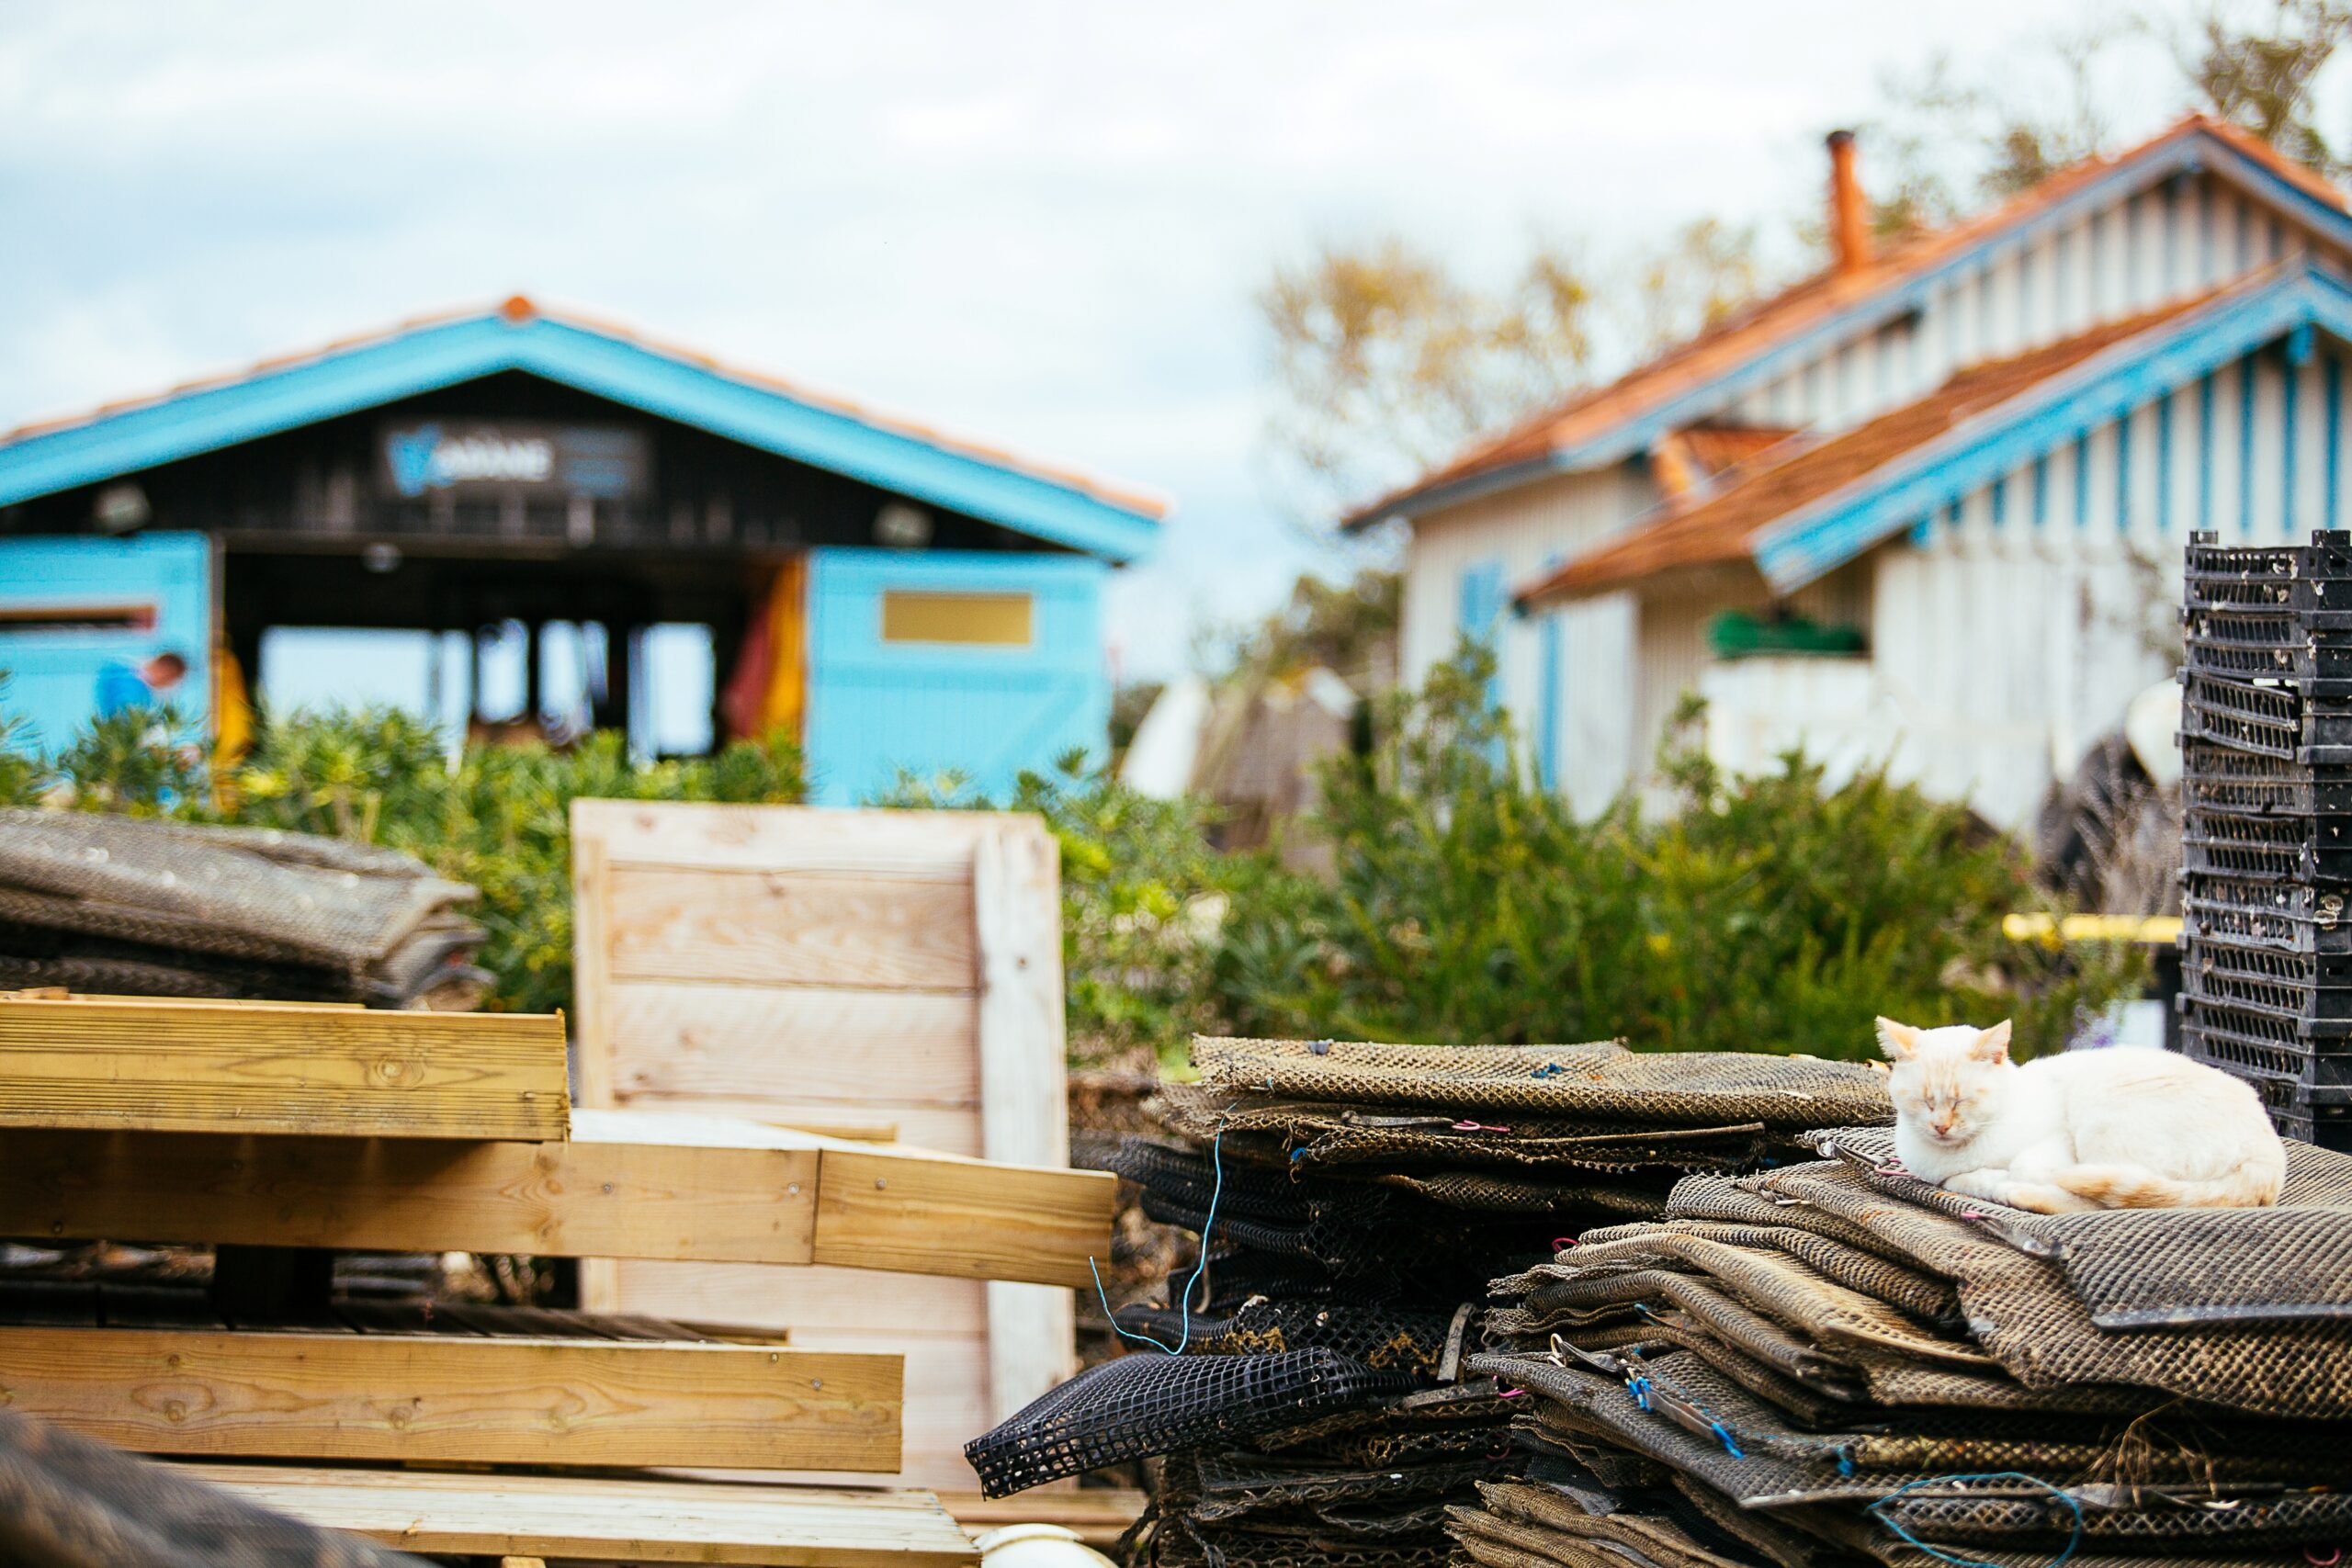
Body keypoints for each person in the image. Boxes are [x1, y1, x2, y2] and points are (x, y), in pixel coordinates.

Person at [95, 649, 187, 716]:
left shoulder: (121, 674)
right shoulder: (129, 684)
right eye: (171, 680)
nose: (168, 685)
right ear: (165, 671)